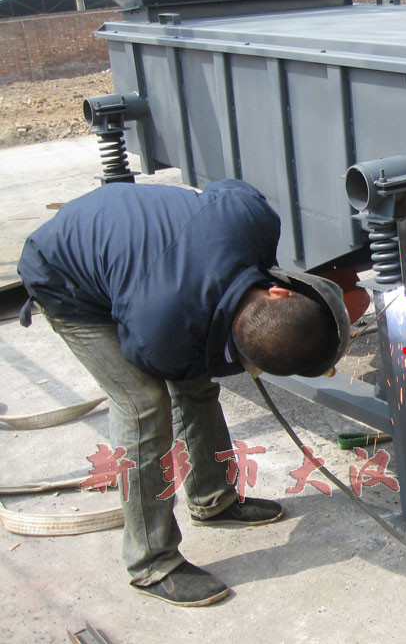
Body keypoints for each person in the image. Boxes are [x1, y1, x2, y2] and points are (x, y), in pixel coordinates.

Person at [18, 179, 342, 607]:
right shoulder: (158, 337)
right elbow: (152, 353)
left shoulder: (255, 218)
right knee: (144, 406)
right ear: (280, 290)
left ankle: (212, 499)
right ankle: (152, 563)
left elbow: (231, 188)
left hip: (128, 248)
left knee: (195, 384)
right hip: (64, 275)